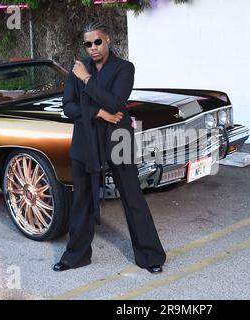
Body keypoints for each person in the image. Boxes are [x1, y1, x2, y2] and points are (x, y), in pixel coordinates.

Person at [53, 21, 166, 273]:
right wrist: (98, 113)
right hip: (86, 138)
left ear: (108, 40)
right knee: (81, 199)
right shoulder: (77, 69)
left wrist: (88, 81)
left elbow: (117, 102)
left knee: (132, 196)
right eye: (87, 43)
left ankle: (151, 256)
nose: (92, 47)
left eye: (97, 41)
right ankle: (76, 256)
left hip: (119, 138)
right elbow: (68, 107)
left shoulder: (124, 68)